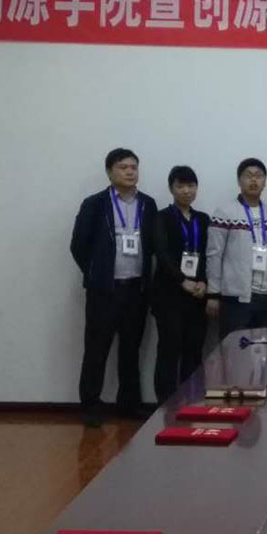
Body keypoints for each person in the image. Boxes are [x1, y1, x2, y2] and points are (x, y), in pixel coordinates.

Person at [70, 148, 158, 427]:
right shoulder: (94, 204)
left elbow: (153, 244)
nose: (130, 172)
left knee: (131, 350)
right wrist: (95, 273)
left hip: (136, 289)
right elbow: (78, 245)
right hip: (105, 291)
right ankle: (90, 406)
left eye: (134, 167)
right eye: (123, 167)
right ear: (110, 172)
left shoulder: (147, 204)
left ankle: (128, 404)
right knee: (96, 350)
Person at [152, 166, 209, 404]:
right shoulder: (162, 217)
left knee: (194, 350)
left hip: (197, 296)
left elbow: (208, 254)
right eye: (180, 186)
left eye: (191, 186)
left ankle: (192, 401)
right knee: (169, 350)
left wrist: (204, 281)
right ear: (171, 189)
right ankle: (165, 405)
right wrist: (181, 280)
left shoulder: (203, 219)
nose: (186, 191)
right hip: (169, 295)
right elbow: (162, 253)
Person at [206, 158, 267, 335]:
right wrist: (213, 293)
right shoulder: (224, 212)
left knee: (265, 347)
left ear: (265, 181)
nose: (254, 180)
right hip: (237, 297)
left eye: (259, 176)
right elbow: (214, 255)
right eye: (248, 176)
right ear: (239, 181)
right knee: (235, 348)